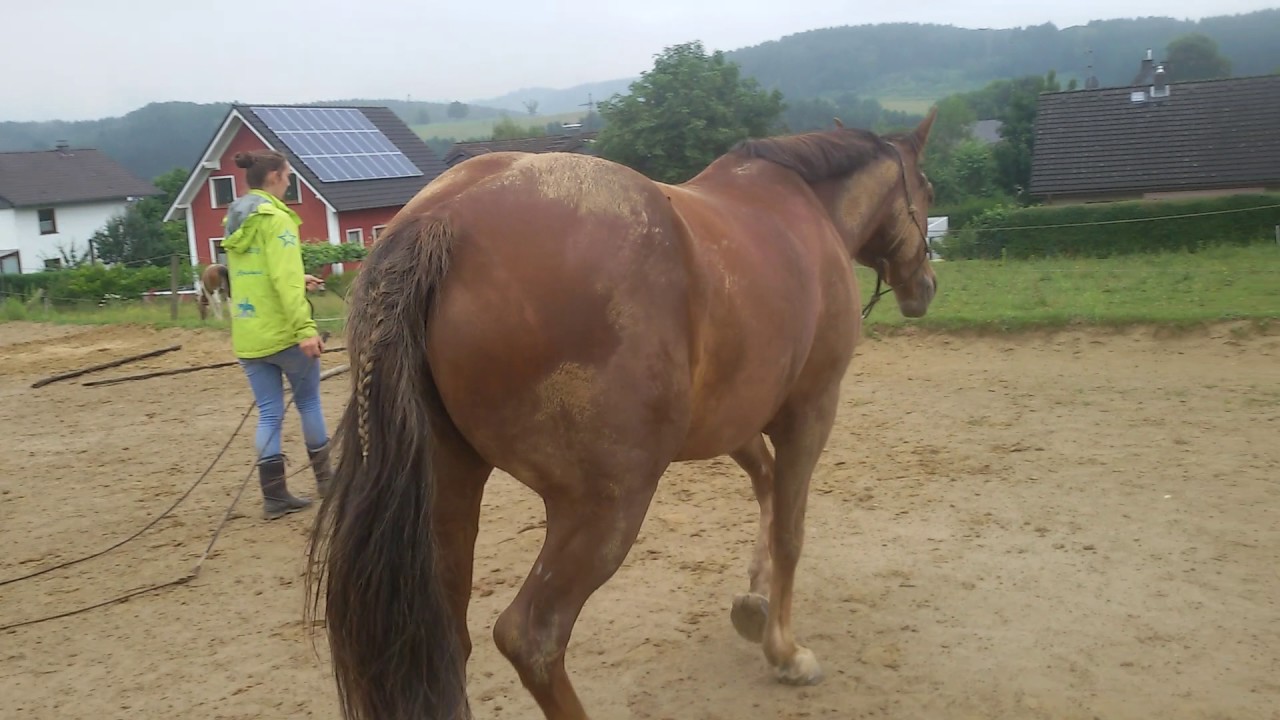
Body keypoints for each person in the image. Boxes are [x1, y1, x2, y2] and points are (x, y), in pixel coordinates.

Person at [221, 149, 333, 520]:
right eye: (287, 176)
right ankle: (327, 482)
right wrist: (305, 329)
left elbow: (255, 273)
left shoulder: (235, 219)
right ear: (273, 177)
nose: (289, 183)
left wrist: (299, 279)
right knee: (309, 404)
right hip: (285, 334)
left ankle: (274, 496)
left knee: (269, 413)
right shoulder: (277, 219)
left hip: (249, 334)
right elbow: (282, 279)